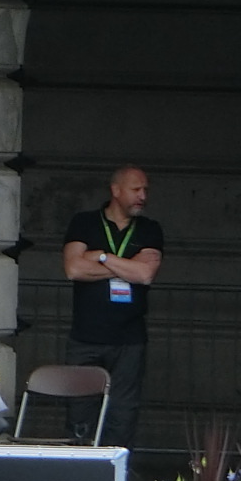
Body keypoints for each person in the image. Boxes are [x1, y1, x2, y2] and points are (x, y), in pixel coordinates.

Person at [61, 166, 164, 449]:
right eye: (136, 189)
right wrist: (126, 266)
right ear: (116, 190)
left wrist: (103, 257)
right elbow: (73, 269)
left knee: (123, 415)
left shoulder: (149, 229)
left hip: (129, 340)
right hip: (86, 336)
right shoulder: (84, 223)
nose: (143, 196)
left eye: (145, 190)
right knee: (80, 413)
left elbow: (145, 274)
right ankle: (80, 474)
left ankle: (117, 474)